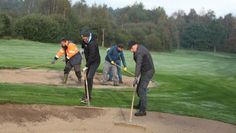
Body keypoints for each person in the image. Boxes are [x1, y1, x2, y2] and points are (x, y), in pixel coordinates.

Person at [127, 40, 155, 116]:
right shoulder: (138, 49)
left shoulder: (140, 52)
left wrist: (136, 77)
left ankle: (143, 111)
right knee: (139, 90)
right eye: (130, 49)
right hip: (144, 71)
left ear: (135, 45)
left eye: (132, 48)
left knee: (141, 90)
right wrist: (137, 75)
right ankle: (140, 105)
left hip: (148, 72)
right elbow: (139, 64)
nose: (131, 50)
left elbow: (138, 64)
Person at [80, 30, 100, 103]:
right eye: (83, 38)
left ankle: (89, 97)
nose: (84, 40)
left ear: (88, 36)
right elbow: (83, 44)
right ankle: (86, 95)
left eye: (85, 38)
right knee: (86, 78)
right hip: (89, 61)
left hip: (94, 62)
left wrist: (86, 66)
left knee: (89, 77)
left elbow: (92, 56)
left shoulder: (93, 43)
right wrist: (82, 49)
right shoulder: (84, 40)